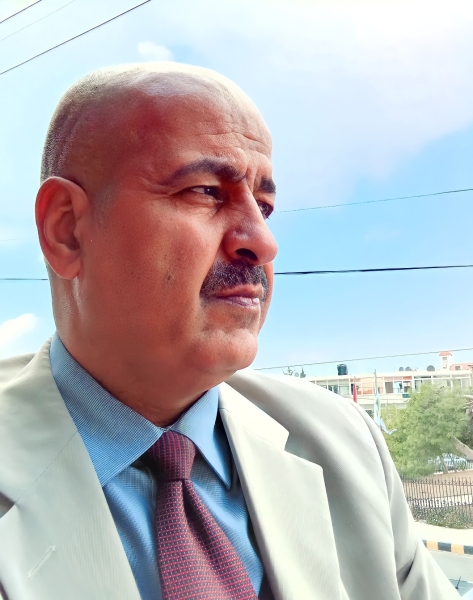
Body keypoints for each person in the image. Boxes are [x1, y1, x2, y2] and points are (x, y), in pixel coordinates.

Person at [0, 63, 457, 600]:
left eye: (264, 207)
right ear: (67, 230)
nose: (262, 241)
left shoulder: (344, 442)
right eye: (204, 191)